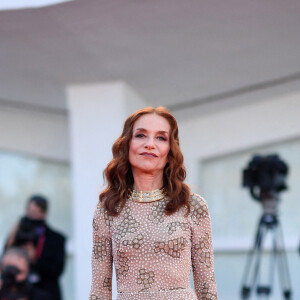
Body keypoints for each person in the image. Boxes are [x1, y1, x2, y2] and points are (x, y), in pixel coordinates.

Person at [89, 106, 218, 300]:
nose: (150, 144)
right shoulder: (108, 208)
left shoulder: (192, 205)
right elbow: (100, 288)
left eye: (161, 138)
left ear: (170, 150)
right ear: (127, 144)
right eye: (141, 135)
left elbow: (206, 284)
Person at [5, 195, 66, 300]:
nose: (32, 217)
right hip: (20, 293)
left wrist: (35, 259)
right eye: (30, 212)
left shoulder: (56, 239)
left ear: (44, 214)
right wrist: (13, 235)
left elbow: (57, 270)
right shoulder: (19, 235)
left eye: (36, 213)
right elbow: (5, 260)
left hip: (47, 293)